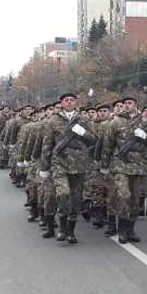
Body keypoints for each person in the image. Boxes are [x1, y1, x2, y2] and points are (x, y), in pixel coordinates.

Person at [40, 93, 98, 244]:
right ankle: (62, 229)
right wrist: (44, 167)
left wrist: (83, 132)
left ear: (76, 103)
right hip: (60, 163)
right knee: (63, 194)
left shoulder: (84, 119)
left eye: (72, 100)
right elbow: (47, 144)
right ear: (61, 103)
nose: (69, 102)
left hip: (79, 164)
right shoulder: (53, 120)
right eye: (66, 100)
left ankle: (71, 232)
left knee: (76, 199)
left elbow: (95, 139)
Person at [101, 95, 147, 244]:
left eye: (130, 103)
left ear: (136, 104)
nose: (126, 106)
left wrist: (146, 136)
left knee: (135, 201)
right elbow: (108, 145)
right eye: (125, 104)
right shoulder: (116, 122)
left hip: (138, 167)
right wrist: (105, 166)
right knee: (124, 196)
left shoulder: (145, 121)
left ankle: (131, 229)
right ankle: (122, 230)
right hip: (121, 166)